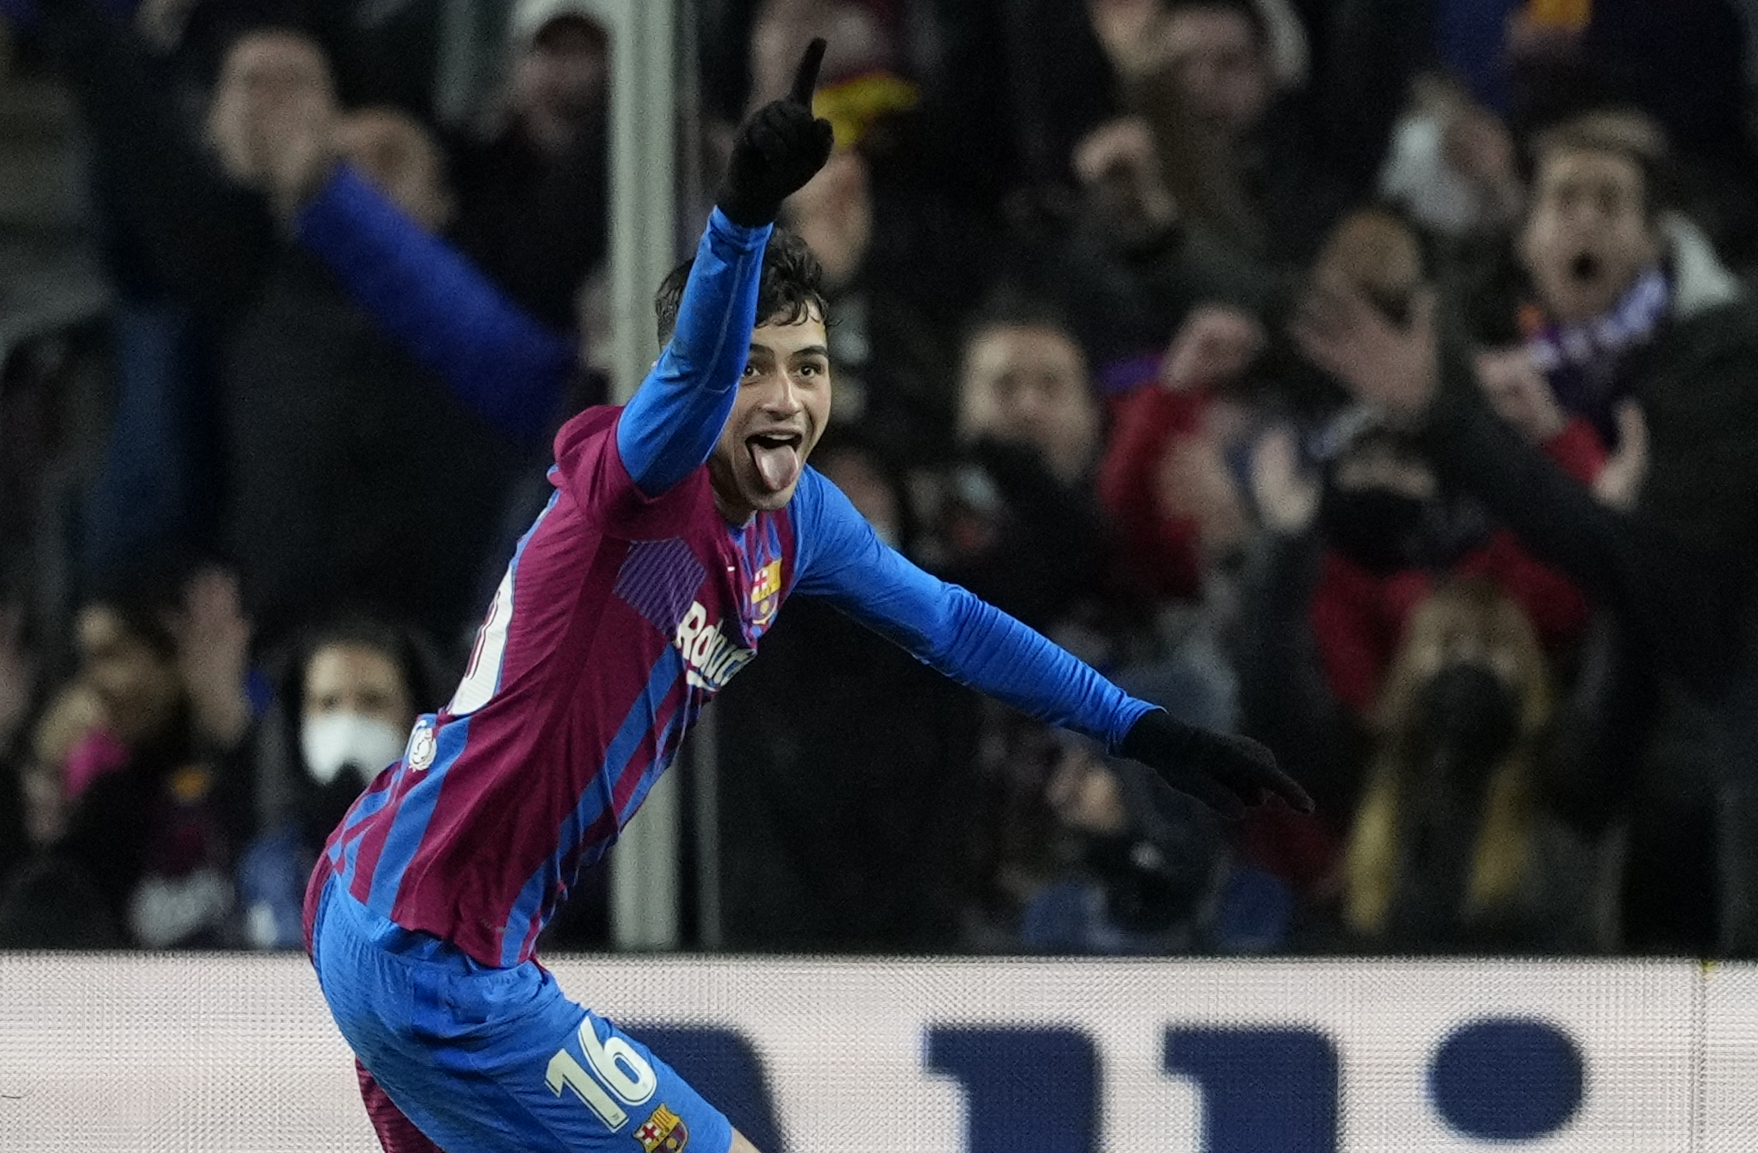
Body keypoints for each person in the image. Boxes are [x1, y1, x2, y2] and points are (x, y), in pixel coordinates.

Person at [304, 40, 1310, 1153]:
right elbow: (691, 375)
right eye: (756, 368)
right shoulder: (643, 486)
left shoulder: (802, 520)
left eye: (809, 366)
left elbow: (951, 624)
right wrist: (739, 215)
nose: (786, 398)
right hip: (432, 946)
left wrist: (1140, 727)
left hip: (393, 900)